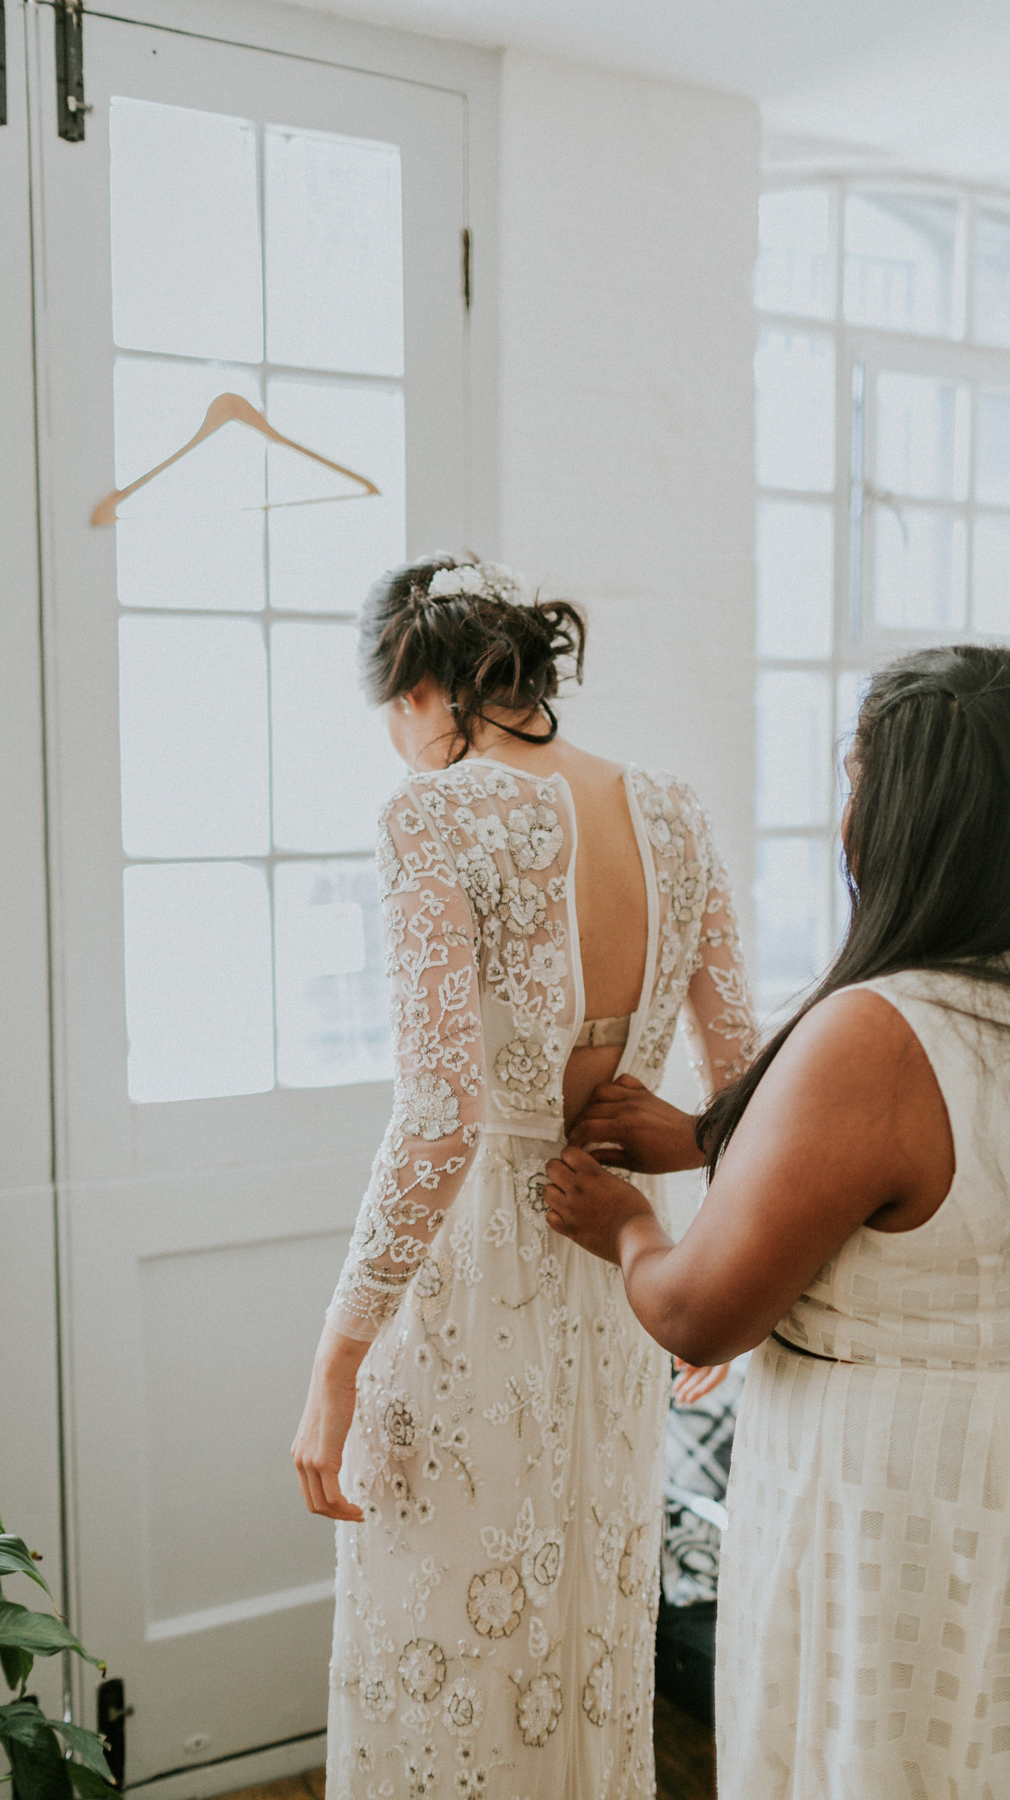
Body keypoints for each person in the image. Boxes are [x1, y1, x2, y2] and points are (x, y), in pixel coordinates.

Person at [545, 643, 1010, 1799]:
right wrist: (715, 1135)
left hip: (906, 1489)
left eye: (854, 779)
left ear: (901, 813)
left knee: (893, 1758)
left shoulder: (878, 1033)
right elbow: (969, 1185)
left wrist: (625, 1225)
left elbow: (700, 1316)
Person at [290, 555, 755, 1798]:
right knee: (586, 1630)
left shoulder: (433, 816)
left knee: (441, 1627)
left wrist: (337, 1356)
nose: (398, 745)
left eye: (393, 715)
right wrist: (725, 1258)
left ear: (422, 688)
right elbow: (745, 1076)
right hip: (615, 1265)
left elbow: (441, 1116)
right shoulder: (671, 809)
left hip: (468, 1288)